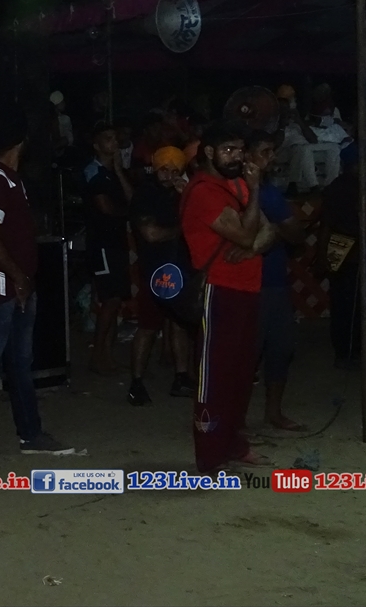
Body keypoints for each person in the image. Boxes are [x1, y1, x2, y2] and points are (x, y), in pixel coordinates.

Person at [0, 117, 73, 472]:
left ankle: (30, 434)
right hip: (2, 288)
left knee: (18, 364)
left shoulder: (10, 179)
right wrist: (18, 277)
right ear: (20, 143)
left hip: (15, 286)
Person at [181, 120, 275, 472]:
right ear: (209, 152)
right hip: (218, 289)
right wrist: (251, 238)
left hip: (247, 287)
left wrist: (252, 248)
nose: (236, 156)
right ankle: (209, 456)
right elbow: (248, 233)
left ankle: (233, 444)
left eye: (239, 150)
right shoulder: (204, 191)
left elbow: (268, 231)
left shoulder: (234, 184)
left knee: (240, 373)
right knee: (215, 377)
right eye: (228, 150)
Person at [127, 146, 195, 406]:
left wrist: (186, 196)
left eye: (175, 170)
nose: (169, 175)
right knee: (148, 325)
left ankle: (181, 378)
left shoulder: (179, 193)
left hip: (180, 267)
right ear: (155, 169)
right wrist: (183, 229)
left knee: (179, 323)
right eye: (164, 169)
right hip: (155, 270)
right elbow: (151, 234)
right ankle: (136, 383)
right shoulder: (145, 194)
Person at [246, 131, 306, 430]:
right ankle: (236, 418)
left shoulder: (270, 192)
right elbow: (289, 232)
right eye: (265, 152)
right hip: (248, 284)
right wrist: (277, 229)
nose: (272, 158)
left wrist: (272, 230)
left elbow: (296, 235)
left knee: (280, 349)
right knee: (247, 353)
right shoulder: (240, 191)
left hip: (274, 282)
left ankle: (273, 412)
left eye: (272, 151)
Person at [84, 120, 134, 374]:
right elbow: (106, 208)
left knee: (115, 301)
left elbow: (131, 199)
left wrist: (119, 170)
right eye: (108, 139)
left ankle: (108, 356)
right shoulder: (93, 172)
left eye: (115, 138)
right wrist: (128, 213)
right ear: (96, 145)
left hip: (116, 243)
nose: (114, 143)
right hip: (102, 244)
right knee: (110, 299)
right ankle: (97, 356)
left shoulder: (114, 171)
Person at [315, 144, 363, 367]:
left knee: (345, 303)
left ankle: (348, 351)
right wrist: (322, 256)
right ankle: (346, 353)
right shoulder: (343, 189)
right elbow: (326, 224)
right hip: (346, 248)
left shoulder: (341, 187)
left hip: (341, 247)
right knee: (347, 305)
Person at [273, 85, 341, 194]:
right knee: (302, 149)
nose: (292, 102)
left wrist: (299, 121)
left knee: (334, 148)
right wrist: (282, 124)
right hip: (283, 152)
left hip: (305, 152)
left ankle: (331, 185)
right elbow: (275, 144)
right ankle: (312, 186)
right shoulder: (273, 120)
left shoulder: (296, 120)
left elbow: (313, 140)